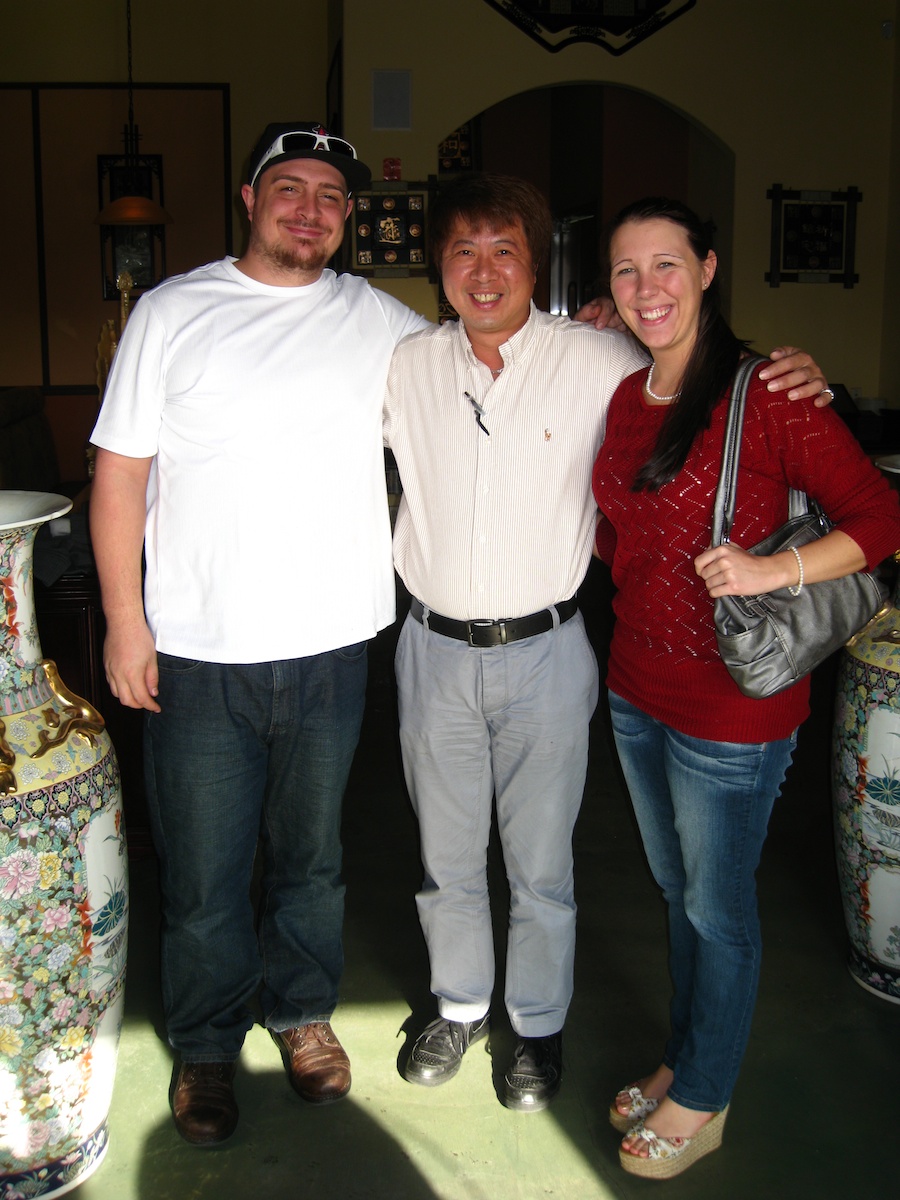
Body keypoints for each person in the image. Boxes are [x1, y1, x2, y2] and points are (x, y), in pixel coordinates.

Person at [383, 175, 830, 1113]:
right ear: (439, 265)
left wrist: (797, 375)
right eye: (463, 250)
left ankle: (537, 1027)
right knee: (446, 856)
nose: (485, 270)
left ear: (536, 262)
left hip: (549, 651)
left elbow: (696, 358)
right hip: (431, 650)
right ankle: (459, 1004)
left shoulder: (599, 357)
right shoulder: (402, 363)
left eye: (506, 249)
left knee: (542, 862)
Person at [89, 122, 429, 1146]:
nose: (311, 209)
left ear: (348, 216)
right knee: (201, 870)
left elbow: (486, 364)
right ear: (249, 198)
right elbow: (120, 475)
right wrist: (121, 620)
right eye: (291, 188)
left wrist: (593, 325)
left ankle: (302, 1012)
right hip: (197, 651)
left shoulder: (382, 322)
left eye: (332, 195)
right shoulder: (174, 309)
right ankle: (202, 1045)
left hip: (331, 648)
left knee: (311, 859)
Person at [591, 197, 900, 1179]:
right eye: (628, 271)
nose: (648, 289)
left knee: (718, 908)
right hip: (635, 688)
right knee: (678, 892)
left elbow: (880, 519)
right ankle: (687, 1058)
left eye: (667, 265)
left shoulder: (767, 392)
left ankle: (707, 1097)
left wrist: (775, 572)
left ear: (709, 269)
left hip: (733, 705)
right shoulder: (623, 395)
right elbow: (620, 534)